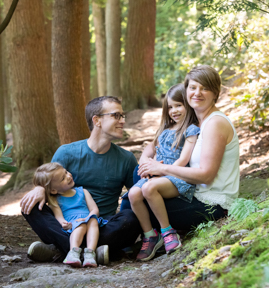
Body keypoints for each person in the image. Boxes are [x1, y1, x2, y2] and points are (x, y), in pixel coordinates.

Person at [122, 65, 239, 252]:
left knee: (131, 202)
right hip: (194, 193)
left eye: (205, 88)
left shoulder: (215, 123)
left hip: (212, 203)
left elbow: (206, 176)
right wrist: (148, 162)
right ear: (186, 91)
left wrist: (162, 169)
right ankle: (146, 236)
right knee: (139, 179)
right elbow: (156, 145)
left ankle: (145, 239)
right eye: (193, 87)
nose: (197, 93)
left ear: (215, 92)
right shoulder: (197, 121)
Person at [20, 96, 141, 264]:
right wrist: (40, 188)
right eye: (116, 115)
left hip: (101, 226)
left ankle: (61, 250)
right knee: (30, 206)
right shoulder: (66, 152)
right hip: (67, 226)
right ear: (97, 120)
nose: (123, 121)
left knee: (131, 218)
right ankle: (93, 251)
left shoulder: (126, 159)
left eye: (123, 115)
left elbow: (139, 195)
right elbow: (48, 180)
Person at [128, 84, 200, 261]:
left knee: (149, 189)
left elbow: (183, 160)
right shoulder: (164, 130)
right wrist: (146, 163)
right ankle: (150, 235)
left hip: (177, 176)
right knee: (133, 193)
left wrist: (162, 171)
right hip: (157, 174)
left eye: (178, 105)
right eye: (170, 107)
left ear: (188, 105)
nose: (174, 110)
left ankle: (168, 231)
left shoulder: (191, 129)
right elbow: (147, 152)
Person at [33, 163, 101, 268]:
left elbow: (94, 210)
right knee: (81, 224)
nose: (69, 176)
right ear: (53, 190)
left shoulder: (83, 192)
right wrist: (63, 223)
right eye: (63, 178)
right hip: (73, 225)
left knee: (93, 220)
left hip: (89, 221)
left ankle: (90, 253)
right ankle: (73, 252)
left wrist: (88, 217)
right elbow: (59, 216)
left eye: (66, 172)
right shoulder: (55, 200)